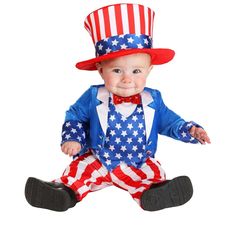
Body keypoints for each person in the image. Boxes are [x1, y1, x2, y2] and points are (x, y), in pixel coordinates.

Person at [25, 3, 210, 212]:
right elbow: (74, 116)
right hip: (98, 158)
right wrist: (73, 138)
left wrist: (191, 130)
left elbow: (171, 122)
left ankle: (156, 193)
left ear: (149, 70)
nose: (127, 79)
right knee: (79, 171)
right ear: (100, 70)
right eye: (116, 70)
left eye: (137, 71)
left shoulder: (153, 99)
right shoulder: (94, 96)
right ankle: (61, 193)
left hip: (137, 162)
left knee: (152, 172)